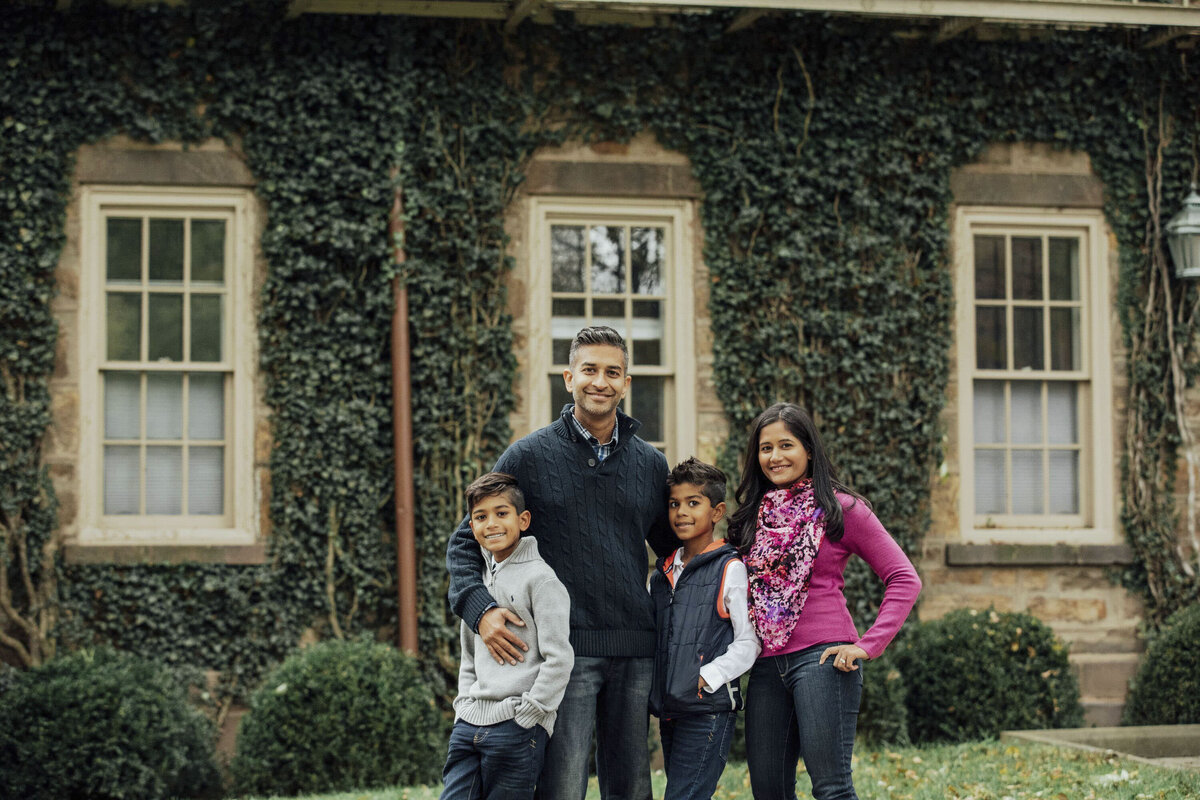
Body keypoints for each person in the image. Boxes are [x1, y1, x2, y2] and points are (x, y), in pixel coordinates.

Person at [446, 326, 678, 800]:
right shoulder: (529, 456)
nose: (601, 381)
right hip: (563, 653)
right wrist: (481, 611)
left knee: (632, 786)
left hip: (635, 648)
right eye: (589, 370)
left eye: (612, 372)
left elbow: (677, 550)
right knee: (562, 786)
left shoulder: (651, 465)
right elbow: (465, 539)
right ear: (569, 378)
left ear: (626, 382)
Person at [728, 403, 921, 800]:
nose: (775, 457)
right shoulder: (752, 517)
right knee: (768, 791)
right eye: (765, 448)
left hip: (823, 660)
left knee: (831, 788)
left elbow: (904, 578)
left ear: (809, 450)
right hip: (765, 665)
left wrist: (868, 645)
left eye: (786, 445)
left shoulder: (841, 509)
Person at [441, 472, 574, 800]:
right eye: (481, 517)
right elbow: (469, 655)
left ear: (523, 519)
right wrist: (464, 705)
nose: (492, 524)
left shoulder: (542, 581)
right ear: (471, 528)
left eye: (502, 513)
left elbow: (559, 658)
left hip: (515, 726)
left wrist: (531, 713)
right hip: (469, 724)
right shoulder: (478, 584)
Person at [648, 457, 760, 800]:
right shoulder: (662, 574)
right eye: (674, 504)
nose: (681, 512)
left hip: (707, 712)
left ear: (717, 511)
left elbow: (749, 641)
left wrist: (707, 676)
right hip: (671, 710)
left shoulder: (730, 568)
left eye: (693, 503)